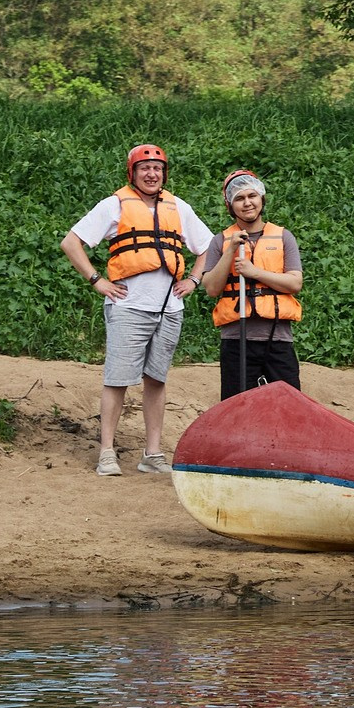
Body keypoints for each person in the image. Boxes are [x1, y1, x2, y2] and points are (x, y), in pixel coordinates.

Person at [60, 142, 214, 477]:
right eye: (145, 168)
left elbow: (209, 246)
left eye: (157, 168)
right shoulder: (114, 205)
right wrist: (97, 280)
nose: (152, 173)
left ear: (164, 173)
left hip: (169, 309)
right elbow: (71, 242)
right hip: (127, 306)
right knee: (117, 380)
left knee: (156, 380)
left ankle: (152, 454)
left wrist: (194, 279)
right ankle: (106, 453)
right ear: (133, 173)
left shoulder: (178, 207)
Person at [197, 170, 304, 400]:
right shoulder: (220, 241)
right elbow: (212, 288)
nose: (247, 203)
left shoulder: (284, 237)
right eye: (239, 198)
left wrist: (255, 272)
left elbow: (295, 283)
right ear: (230, 205)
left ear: (261, 198)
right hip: (236, 341)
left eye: (252, 196)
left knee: (287, 405)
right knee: (237, 406)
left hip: (277, 339)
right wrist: (231, 251)